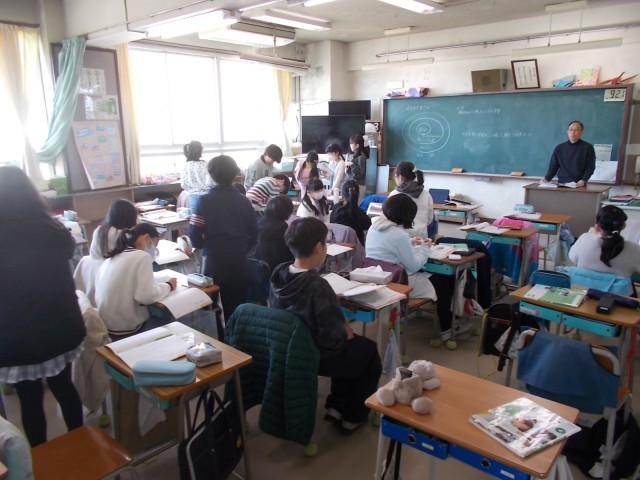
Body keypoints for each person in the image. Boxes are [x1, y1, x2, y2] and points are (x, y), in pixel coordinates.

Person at [270, 217, 382, 435]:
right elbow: (333, 342)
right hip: (314, 353)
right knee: (367, 352)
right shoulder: (318, 286)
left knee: (353, 348)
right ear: (318, 247)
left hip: (287, 346)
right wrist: (345, 332)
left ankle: (336, 406)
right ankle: (352, 416)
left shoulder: (279, 274)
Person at [0, 166, 86, 446]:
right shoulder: (54, 229)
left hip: (17, 335)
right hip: (61, 326)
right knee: (64, 387)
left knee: (30, 400)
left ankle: (41, 457)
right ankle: (80, 445)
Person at [366, 194, 469, 338]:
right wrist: (425, 248)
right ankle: (447, 326)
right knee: (444, 280)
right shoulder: (399, 235)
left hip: (377, 279)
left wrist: (410, 241)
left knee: (437, 278)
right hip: (398, 283)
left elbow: (388, 245)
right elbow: (414, 266)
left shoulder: (374, 227)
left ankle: (449, 319)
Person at [190, 155, 258, 320]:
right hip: (239, 259)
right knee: (238, 304)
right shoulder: (244, 201)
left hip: (213, 260)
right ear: (235, 174)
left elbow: (195, 236)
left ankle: (221, 335)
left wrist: (206, 245)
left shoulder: (203, 201)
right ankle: (237, 334)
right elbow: (254, 233)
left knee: (213, 307)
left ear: (211, 175)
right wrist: (241, 247)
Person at [95, 222, 177, 340]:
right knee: (170, 317)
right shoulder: (142, 256)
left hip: (107, 327)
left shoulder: (113, 257)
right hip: (127, 329)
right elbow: (145, 297)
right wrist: (168, 285)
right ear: (147, 238)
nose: (155, 250)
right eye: (155, 245)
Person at [569, 205, 640, 278]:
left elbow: (572, 259)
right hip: (617, 286)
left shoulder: (584, 239)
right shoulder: (634, 249)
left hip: (581, 285)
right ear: (624, 226)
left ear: (597, 227)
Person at [387, 161, 434, 239]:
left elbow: (388, 219)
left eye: (395, 176)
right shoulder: (426, 194)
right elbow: (430, 219)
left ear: (400, 177)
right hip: (421, 238)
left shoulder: (394, 194)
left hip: (401, 238)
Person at [543, 120, 596, 187]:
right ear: (567, 132)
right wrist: (546, 179)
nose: (573, 132)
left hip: (579, 185)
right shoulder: (559, 148)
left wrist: (584, 180)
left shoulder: (588, 148)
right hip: (562, 184)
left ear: (581, 132)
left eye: (576, 130)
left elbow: (590, 167)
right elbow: (553, 167)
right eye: (571, 130)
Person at [251, 195, 295, 271]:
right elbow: (287, 255)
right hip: (275, 271)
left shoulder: (258, 221)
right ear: (287, 212)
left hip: (255, 267)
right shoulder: (282, 228)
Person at [330, 179, 372, 246]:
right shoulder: (360, 214)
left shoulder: (336, 209)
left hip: (336, 247)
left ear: (342, 196)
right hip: (356, 249)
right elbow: (369, 226)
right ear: (358, 196)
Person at [180, 140, 214, 213]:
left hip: (194, 197)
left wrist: (193, 189)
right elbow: (211, 182)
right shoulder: (206, 164)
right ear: (200, 151)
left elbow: (183, 184)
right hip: (208, 197)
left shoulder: (185, 166)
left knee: (196, 218)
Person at [345, 134, 367, 202]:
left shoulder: (361, 157)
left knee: (357, 205)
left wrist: (351, 164)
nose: (350, 145)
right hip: (353, 185)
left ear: (357, 145)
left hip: (358, 186)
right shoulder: (354, 156)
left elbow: (359, 174)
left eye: (351, 143)